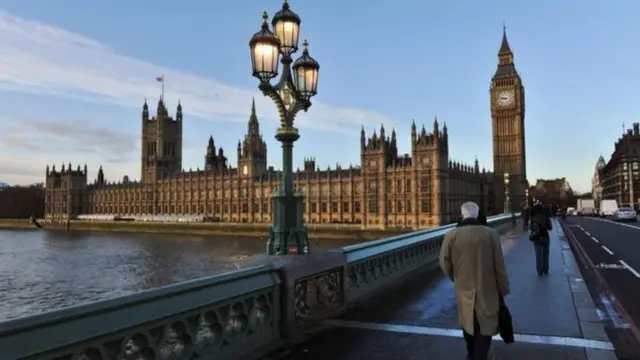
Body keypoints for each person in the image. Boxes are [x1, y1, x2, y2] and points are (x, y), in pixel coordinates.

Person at [439, 201, 511, 360]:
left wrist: (455, 277)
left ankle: (472, 353)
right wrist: (503, 289)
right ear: (478, 215)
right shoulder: (490, 234)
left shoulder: (451, 235)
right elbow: (499, 265)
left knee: (468, 323)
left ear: (462, 215)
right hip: (488, 288)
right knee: (485, 327)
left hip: (464, 288)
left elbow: (444, 262)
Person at [529, 203, 553, 276]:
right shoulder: (546, 217)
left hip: (537, 238)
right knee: (546, 255)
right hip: (545, 237)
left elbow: (531, 229)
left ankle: (539, 271)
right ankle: (546, 270)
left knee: (538, 255)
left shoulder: (533, 219)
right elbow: (550, 228)